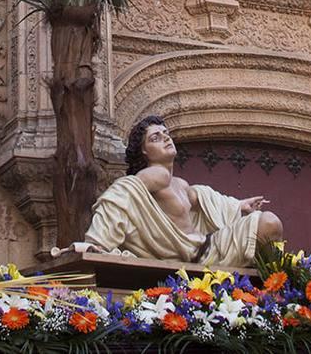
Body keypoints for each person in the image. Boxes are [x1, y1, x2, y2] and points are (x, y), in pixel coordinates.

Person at [81, 115, 283, 268]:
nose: (166, 139)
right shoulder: (156, 174)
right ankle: (276, 285)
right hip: (196, 257)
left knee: (268, 224)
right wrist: (97, 241)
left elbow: (206, 201)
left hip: (211, 248)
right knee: (269, 223)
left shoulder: (180, 184)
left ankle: (275, 281)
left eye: (166, 134)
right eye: (156, 138)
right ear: (144, 151)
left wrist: (239, 205)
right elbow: (125, 190)